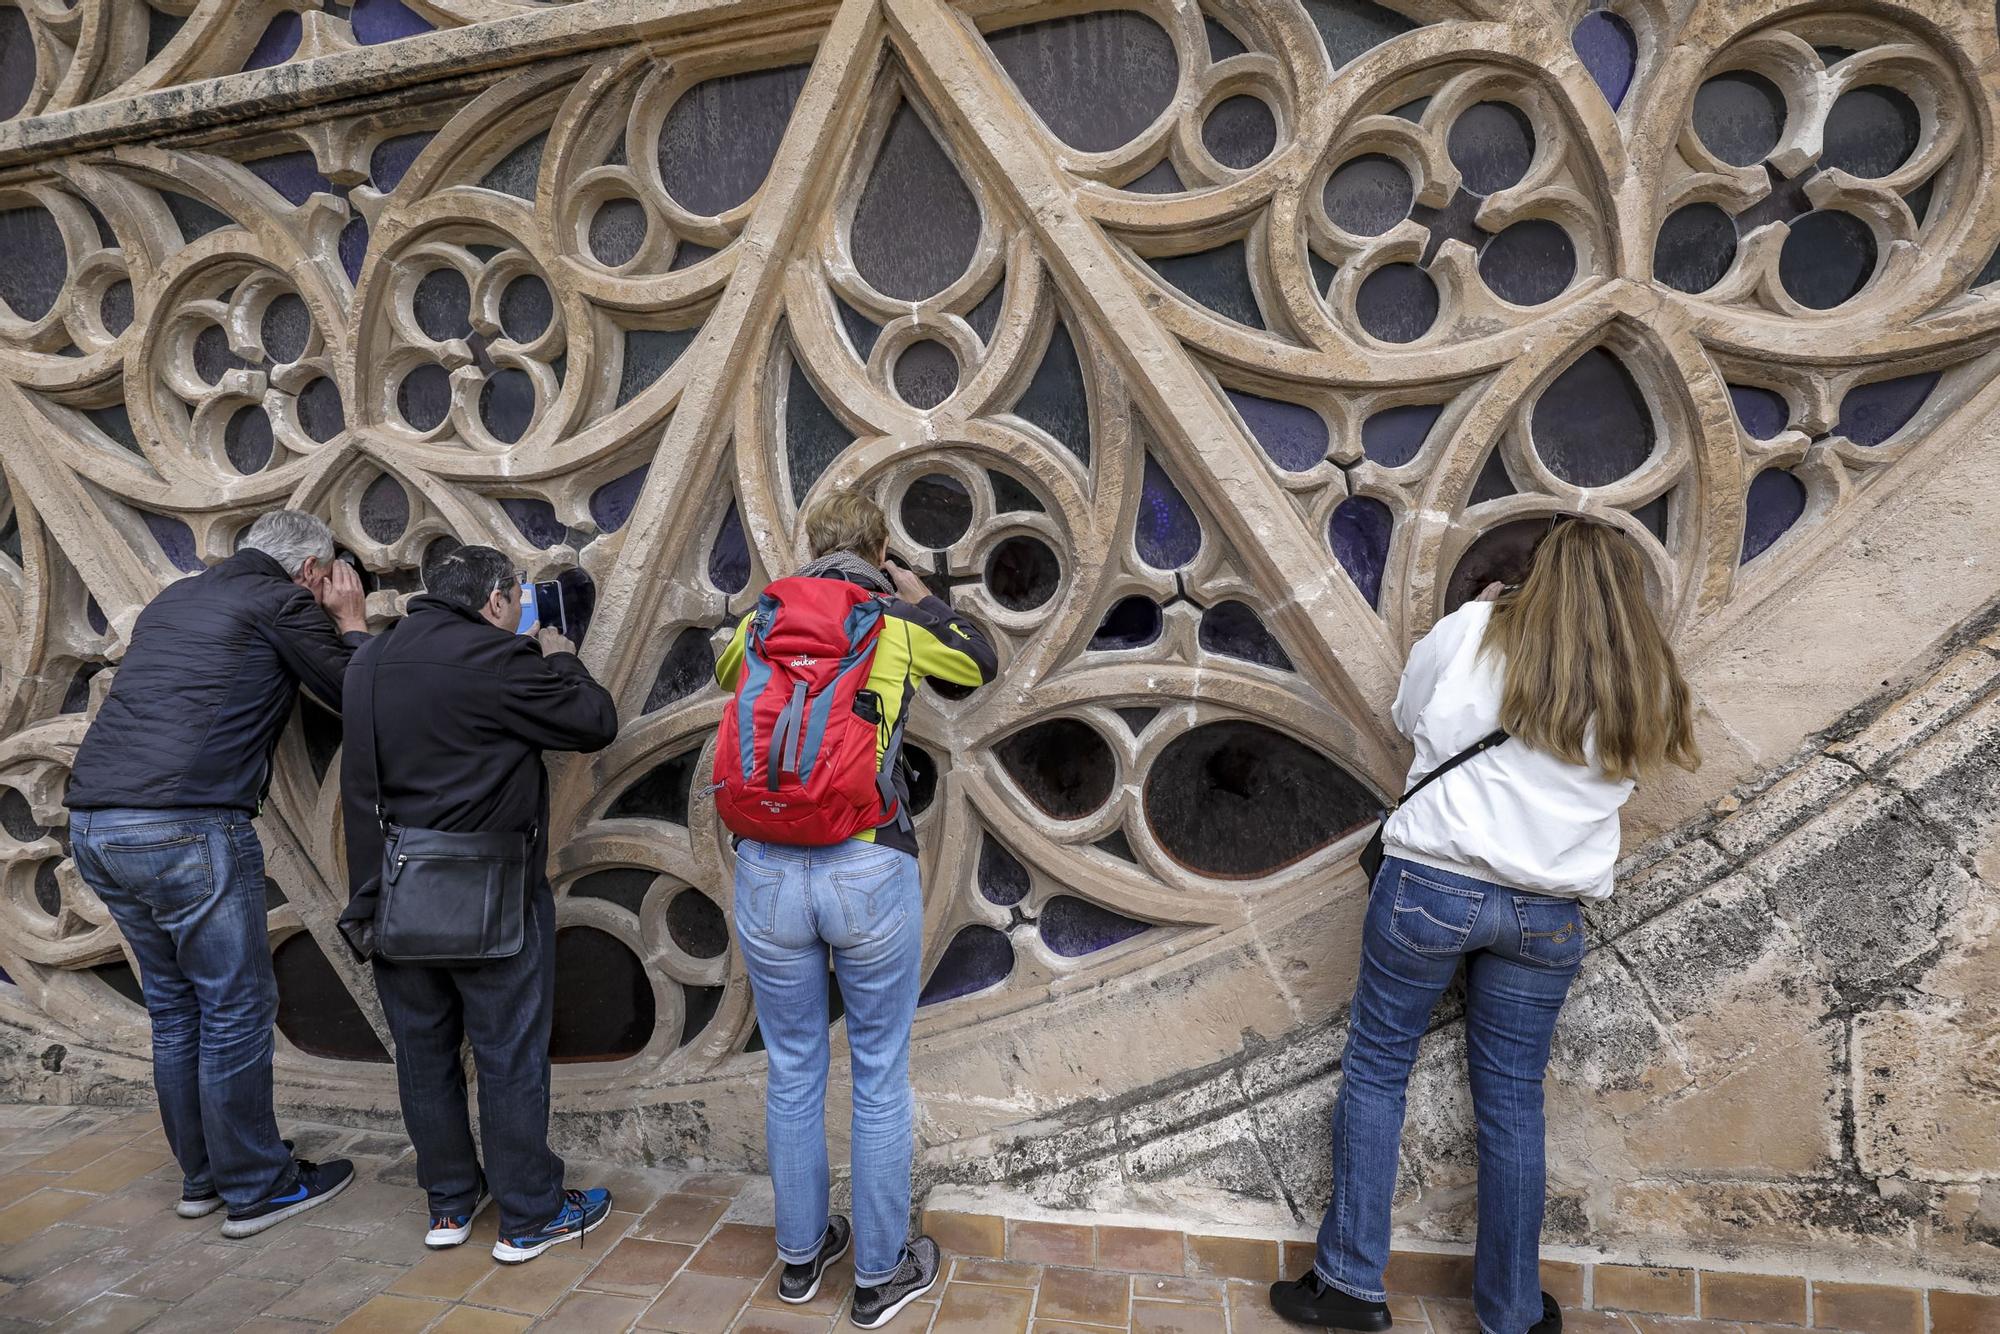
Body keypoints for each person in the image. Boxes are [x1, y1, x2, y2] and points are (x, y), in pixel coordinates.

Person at [1270, 520, 1700, 1334]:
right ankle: (1510, 1313)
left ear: (1536, 575)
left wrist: (1477, 610)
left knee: (1377, 1068)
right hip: (1547, 914)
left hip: (1433, 887)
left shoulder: (1473, 632)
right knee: (1511, 1101)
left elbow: (1406, 713)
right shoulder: (1644, 676)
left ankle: (1350, 1286)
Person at [716, 493, 997, 1329]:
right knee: (878, 1075)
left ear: (809, 549)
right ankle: (878, 1277)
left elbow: (729, 676)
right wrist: (917, 597)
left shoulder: (760, 624)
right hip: (866, 860)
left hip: (766, 869)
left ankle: (801, 1261)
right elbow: (979, 664)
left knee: (793, 1066)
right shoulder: (892, 623)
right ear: (880, 550)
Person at [66, 510, 369, 1237]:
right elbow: (362, 692)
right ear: (307, 570)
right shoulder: (283, 601)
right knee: (233, 1009)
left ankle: (206, 1178)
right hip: (185, 825)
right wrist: (351, 619)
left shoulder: (177, 596)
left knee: (176, 1011)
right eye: (326, 573)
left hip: (95, 824)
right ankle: (258, 1187)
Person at [340, 544, 619, 1263]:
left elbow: (360, 788)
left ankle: (449, 1205)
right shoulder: (501, 659)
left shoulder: (369, 661)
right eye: (518, 597)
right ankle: (529, 1214)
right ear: (495, 601)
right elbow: (593, 721)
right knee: (507, 1054)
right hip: (493, 890)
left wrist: (366, 904)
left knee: (423, 1055)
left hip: (399, 892)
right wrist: (558, 653)